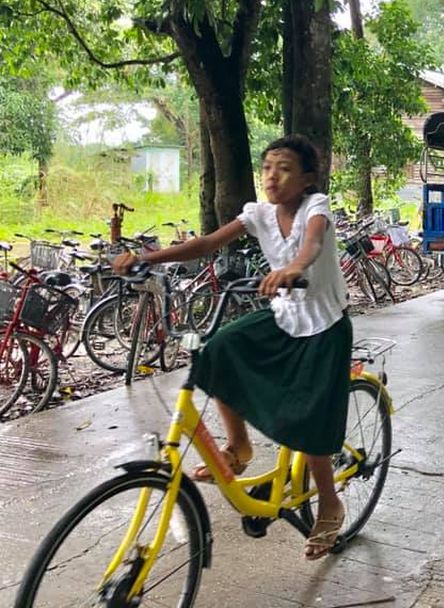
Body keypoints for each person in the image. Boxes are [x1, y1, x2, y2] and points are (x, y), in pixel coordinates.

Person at [112, 135, 352, 561]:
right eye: (267, 168)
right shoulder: (258, 214)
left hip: (324, 325)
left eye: (284, 169)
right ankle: (240, 446)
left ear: (307, 179)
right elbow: (206, 244)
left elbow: (312, 245)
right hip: (284, 317)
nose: (272, 177)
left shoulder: (317, 208)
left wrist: (293, 267)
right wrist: (148, 258)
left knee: (310, 419)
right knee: (218, 350)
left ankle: (330, 504)